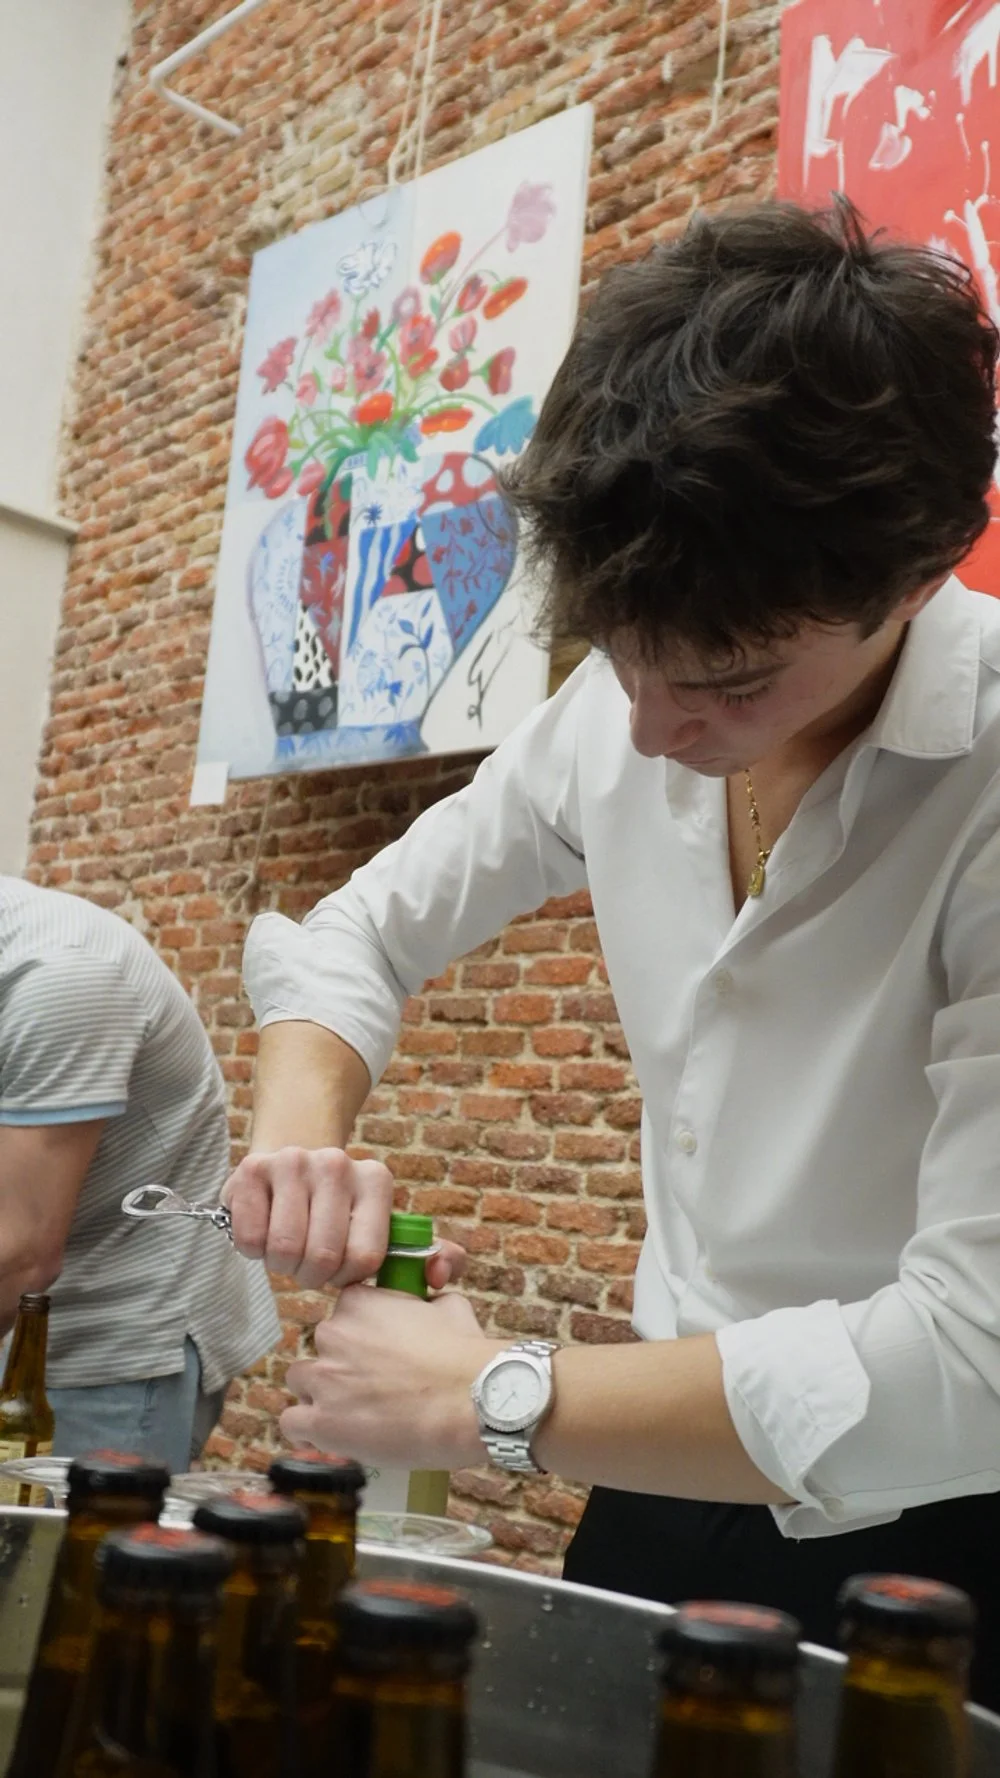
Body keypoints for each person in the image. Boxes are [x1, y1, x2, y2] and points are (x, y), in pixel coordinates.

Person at [224, 198, 1000, 1704]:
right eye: (618, 654)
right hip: (649, 1481)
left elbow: (974, 1360)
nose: (651, 732)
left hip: (944, 1536)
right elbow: (356, 932)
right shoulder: (630, 704)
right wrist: (301, 1136)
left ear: (919, 577)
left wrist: (493, 1394)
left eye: (729, 679)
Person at [0, 877, 278, 1474]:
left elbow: (19, 1256)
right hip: (24, 1323)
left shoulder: (59, 977)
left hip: (110, 1355)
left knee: (71, 1562)